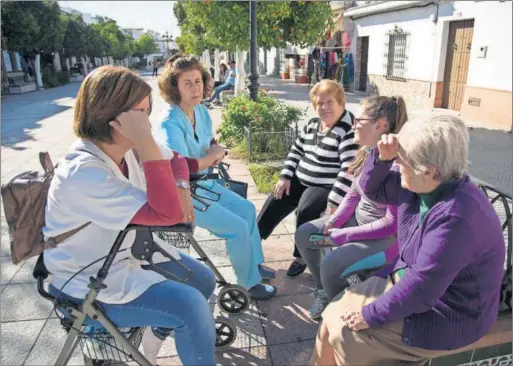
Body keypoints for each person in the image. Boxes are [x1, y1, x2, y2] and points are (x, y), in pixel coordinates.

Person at [43, 66, 217, 366]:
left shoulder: (127, 149)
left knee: (202, 280)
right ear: (111, 116)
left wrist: (181, 184)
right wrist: (145, 141)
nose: (147, 123)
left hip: (126, 253)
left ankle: (150, 345)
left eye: (148, 112)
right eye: (140, 114)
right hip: (86, 278)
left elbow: (176, 160)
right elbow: (168, 214)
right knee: (190, 306)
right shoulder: (84, 172)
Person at [311, 115, 506, 365]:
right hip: (409, 285)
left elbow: (422, 288)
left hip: (448, 313)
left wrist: (370, 314)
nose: (396, 165)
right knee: (330, 317)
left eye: (400, 160)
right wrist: (381, 159)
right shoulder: (418, 186)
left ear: (429, 171)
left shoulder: (456, 216)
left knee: (347, 337)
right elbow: (371, 188)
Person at [154, 55, 277, 300]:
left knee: (246, 209)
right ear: (173, 87)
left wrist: (216, 150)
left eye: (198, 81)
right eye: (187, 83)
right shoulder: (169, 122)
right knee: (237, 228)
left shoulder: (201, 111)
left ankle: (254, 264)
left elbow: (208, 141)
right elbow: (182, 167)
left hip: (204, 183)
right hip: (183, 192)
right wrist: (211, 156)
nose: (195, 88)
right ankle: (249, 284)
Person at [295, 96, 408, 320]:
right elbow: (354, 193)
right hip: (354, 227)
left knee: (331, 264)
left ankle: (340, 313)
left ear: (380, 124)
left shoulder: (395, 166)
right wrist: (334, 220)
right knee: (306, 235)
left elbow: (390, 224)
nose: (353, 124)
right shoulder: (367, 152)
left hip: (382, 242)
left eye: (359, 119)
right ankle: (324, 291)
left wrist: (344, 235)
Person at [258, 79, 358, 277]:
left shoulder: (347, 130)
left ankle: (301, 256)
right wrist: (285, 177)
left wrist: (334, 202)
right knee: (275, 200)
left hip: (326, 185)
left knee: (306, 209)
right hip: (300, 178)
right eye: (319, 103)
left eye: (329, 102)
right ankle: (252, 245)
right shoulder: (313, 124)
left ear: (341, 103)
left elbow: (349, 169)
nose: (324, 107)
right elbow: (295, 151)